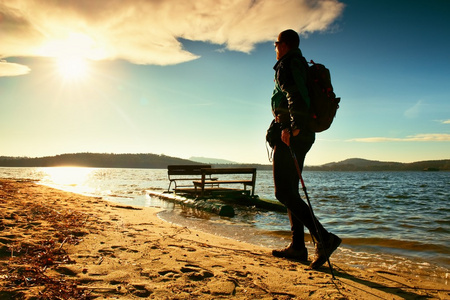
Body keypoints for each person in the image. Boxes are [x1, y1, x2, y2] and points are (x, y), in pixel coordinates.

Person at [270, 29, 341, 269]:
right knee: (291, 190)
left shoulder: (287, 64)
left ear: (285, 45)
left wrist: (292, 128)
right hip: (301, 133)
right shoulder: (299, 63)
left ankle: (324, 239)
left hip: (293, 134)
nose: (275, 47)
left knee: (283, 192)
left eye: (276, 43)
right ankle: (298, 247)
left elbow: (296, 96)